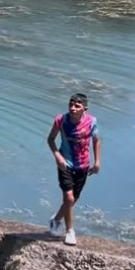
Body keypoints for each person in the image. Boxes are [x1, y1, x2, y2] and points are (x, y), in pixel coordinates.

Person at [46, 93, 101, 246]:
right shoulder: (61, 120)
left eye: (77, 106)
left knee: (73, 199)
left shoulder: (91, 121)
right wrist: (57, 156)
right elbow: (50, 139)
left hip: (83, 166)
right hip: (65, 164)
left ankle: (56, 220)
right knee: (69, 199)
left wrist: (97, 162)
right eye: (71, 104)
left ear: (85, 108)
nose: (73, 108)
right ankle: (70, 231)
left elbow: (96, 141)